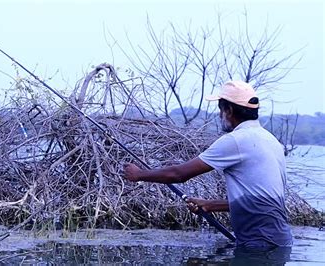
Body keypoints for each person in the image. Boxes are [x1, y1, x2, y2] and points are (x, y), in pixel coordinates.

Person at [123, 80, 293, 249]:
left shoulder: (236, 140)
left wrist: (139, 175)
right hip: (281, 241)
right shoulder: (271, 141)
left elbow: (179, 174)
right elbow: (262, 201)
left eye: (221, 110)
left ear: (229, 110)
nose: (220, 116)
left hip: (258, 244)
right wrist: (211, 205)